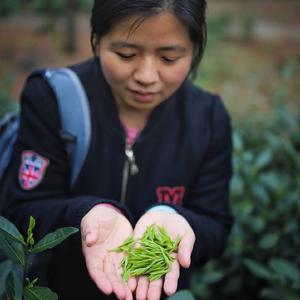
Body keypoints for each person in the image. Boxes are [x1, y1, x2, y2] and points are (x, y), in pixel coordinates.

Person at [2, 0, 234, 299]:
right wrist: (86, 216)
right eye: (126, 54)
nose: (146, 76)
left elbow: (216, 224)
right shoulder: (52, 99)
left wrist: (177, 220)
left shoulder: (208, 118)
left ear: (194, 50)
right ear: (97, 41)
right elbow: (20, 210)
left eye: (169, 58)